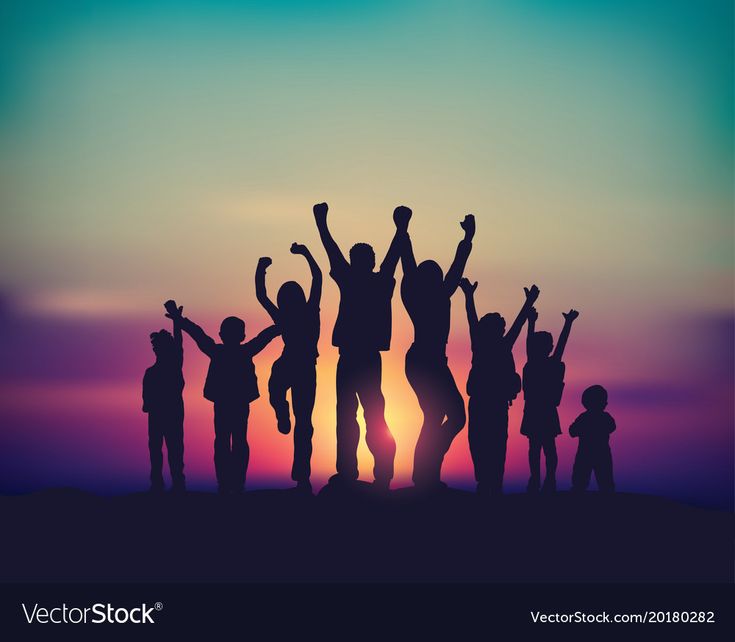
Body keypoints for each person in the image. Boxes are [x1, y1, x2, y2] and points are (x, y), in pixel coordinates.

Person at [313, 201, 408, 492]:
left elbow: (391, 256)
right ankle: (353, 472)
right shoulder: (361, 279)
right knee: (352, 412)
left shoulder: (376, 281)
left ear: (366, 261)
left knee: (368, 412)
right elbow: (334, 251)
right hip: (354, 355)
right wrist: (321, 223)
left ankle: (377, 472)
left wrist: (402, 228)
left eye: (361, 257)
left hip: (365, 356)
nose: (358, 261)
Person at [168, 305, 280, 495]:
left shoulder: (219, 351)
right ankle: (233, 483)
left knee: (226, 441)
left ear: (221, 334)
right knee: (234, 441)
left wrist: (179, 320)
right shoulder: (241, 351)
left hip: (227, 402)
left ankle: (229, 483)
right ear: (242, 336)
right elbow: (264, 337)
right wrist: (281, 326)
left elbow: (199, 335)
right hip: (234, 402)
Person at [400, 213, 475, 490]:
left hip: (429, 361)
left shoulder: (440, 293)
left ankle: (427, 473)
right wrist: (403, 231)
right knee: (444, 415)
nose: (440, 275)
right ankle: (425, 475)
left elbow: (456, 266)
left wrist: (467, 239)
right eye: (433, 272)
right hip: (423, 360)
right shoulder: (421, 297)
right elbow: (409, 264)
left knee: (443, 416)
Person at [459, 279, 539, 496]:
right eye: (499, 328)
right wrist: (468, 296)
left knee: (493, 444)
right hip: (483, 402)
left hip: (493, 404)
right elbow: (472, 319)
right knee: (480, 442)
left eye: (501, 328)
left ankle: (491, 484)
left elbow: (518, 324)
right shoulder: (483, 344)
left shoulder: (499, 345)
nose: (503, 330)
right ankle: (487, 482)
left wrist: (528, 302)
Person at [255, 243, 322, 493]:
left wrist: (262, 269)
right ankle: (281, 410)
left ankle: (302, 476)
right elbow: (262, 297)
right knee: (278, 393)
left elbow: (317, 278)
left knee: (304, 422)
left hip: (304, 366)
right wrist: (261, 269)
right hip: (292, 362)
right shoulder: (291, 314)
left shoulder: (308, 311)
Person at [521, 307, 579, 493]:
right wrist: (532, 322)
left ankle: (546, 479)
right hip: (538, 411)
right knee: (540, 447)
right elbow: (532, 343)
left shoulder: (540, 363)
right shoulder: (535, 363)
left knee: (542, 447)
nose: (551, 347)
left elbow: (560, 345)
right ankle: (539, 479)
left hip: (540, 411)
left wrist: (568, 323)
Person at [142, 300, 186, 493]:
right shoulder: (151, 372)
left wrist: (176, 320)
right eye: (156, 346)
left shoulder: (173, 364)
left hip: (171, 412)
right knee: (157, 449)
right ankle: (160, 483)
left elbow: (179, 341)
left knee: (173, 449)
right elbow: (146, 399)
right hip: (161, 414)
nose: (156, 349)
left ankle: (175, 483)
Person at [569, 385, 615, 492]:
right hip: (601, 452)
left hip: (585, 452)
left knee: (580, 481)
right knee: (605, 481)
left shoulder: (584, 417)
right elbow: (612, 427)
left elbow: (572, 431)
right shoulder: (604, 417)